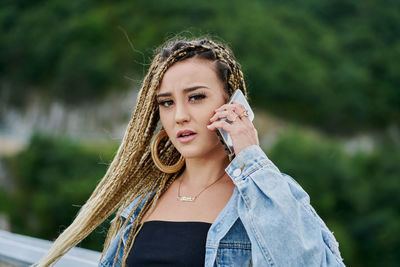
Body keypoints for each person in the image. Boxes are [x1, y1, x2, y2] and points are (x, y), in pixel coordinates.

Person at [37, 37, 345, 267]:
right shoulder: (142, 203)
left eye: (196, 97)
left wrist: (250, 156)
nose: (179, 115)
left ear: (233, 103)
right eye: (167, 102)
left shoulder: (268, 195)